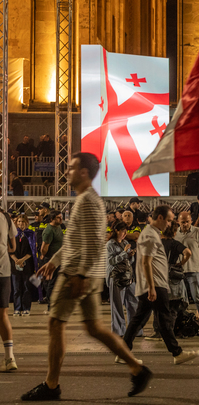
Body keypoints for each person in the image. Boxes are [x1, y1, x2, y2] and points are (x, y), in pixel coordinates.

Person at [22, 153, 152, 400]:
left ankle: (51, 385)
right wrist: (54, 261)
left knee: (55, 322)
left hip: (77, 274)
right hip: (84, 272)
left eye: (70, 168)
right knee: (94, 327)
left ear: (82, 172)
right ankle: (137, 368)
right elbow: (76, 241)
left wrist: (79, 274)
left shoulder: (88, 202)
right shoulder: (85, 200)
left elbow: (93, 243)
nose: (66, 172)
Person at [122, 205, 199, 365]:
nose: (171, 224)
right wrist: (151, 287)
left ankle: (123, 352)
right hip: (155, 284)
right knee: (163, 318)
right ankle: (177, 353)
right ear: (160, 218)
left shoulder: (153, 234)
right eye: (169, 220)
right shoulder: (150, 234)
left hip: (154, 283)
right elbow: (146, 262)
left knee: (141, 319)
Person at [176, 212, 199, 336]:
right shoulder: (175, 233)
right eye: (183, 222)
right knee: (181, 300)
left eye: (187, 221)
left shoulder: (198, 232)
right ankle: (183, 324)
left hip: (194, 271)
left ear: (191, 221)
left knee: (198, 299)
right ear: (178, 222)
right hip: (179, 273)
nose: (185, 224)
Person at [106, 222, 141, 338]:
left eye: (126, 231)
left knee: (133, 302)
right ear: (117, 231)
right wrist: (124, 253)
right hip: (116, 277)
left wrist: (130, 255)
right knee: (117, 305)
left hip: (128, 276)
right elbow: (111, 261)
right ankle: (118, 331)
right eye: (123, 231)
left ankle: (135, 330)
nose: (125, 234)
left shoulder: (125, 242)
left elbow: (128, 262)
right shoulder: (110, 244)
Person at [1, 209, 18, 372]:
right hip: (3, 271)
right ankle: (9, 358)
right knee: (3, 315)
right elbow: (13, 247)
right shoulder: (5, 216)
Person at [11, 215, 36, 317]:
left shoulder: (30, 234)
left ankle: (26, 308)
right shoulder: (13, 235)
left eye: (23, 222)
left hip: (27, 265)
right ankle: (17, 308)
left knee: (26, 287)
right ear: (16, 223)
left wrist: (22, 260)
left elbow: (32, 251)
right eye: (19, 222)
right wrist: (16, 260)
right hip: (15, 265)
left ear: (27, 223)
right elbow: (10, 249)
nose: (21, 224)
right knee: (16, 288)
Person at [40, 210, 64, 310]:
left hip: (59, 259)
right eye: (58, 217)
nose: (61, 219)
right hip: (51, 259)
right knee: (52, 283)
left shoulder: (58, 227)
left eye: (61, 217)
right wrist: (45, 258)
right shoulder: (49, 230)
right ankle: (51, 305)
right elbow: (44, 248)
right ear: (52, 219)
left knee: (57, 282)